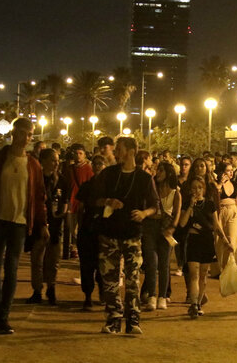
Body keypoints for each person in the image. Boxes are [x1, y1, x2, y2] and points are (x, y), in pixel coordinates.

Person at [0, 118, 48, 334]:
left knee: (12, 269)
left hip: (19, 223)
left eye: (31, 134)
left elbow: (39, 196)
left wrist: (43, 223)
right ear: (14, 134)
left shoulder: (33, 164)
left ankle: (3, 315)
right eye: (25, 133)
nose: (28, 138)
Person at [95, 136, 159, 335]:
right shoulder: (109, 174)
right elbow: (93, 199)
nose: (116, 153)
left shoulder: (143, 178)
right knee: (110, 279)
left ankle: (133, 318)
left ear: (131, 151)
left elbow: (155, 207)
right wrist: (107, 201)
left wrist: (144, 213)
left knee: (132, 278)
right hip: (109, 233)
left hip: (132, 233)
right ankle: (114, 317)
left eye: (120, 149)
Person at [179, 176, 228, 319]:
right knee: (193, 274)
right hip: (193, 240)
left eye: (199, 188)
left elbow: (216, 224)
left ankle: (198, 304)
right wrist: (190, 207)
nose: (197, 191)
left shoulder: (210, 204)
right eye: (194, 188)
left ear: (204, 189)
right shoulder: (187, 203)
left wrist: (225, 240)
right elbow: (182, 223)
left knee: (203, 276)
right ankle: (193, 304)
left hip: (206, 240)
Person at [27, 148, 69, 305]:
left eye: (57, 159)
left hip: (56, 225)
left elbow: (65, 200)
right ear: (43, 161)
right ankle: (37, 290)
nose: (56, 163)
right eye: (52, 159)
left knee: (53, 260)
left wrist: (61, 212)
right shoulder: (36, 179)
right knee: (37, 259)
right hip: (39, 225)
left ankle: (51, 288)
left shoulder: (62, 180)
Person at [141, 162, 181, 311]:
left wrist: (172, 228)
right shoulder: (153, 189)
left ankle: (162, 296)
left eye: (161, 171)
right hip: (150, 226)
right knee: (152, 262)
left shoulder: (175, 192)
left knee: (164, 264)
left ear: (168, 173)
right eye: (157, 170)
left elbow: (177, 212)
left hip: (165, 229)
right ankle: (152, 295)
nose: (158, 173)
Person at [76, 155, 106, 310]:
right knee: (87, 265)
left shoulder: (110, 187)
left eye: (101, 164)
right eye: (95, 164)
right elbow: (80, 209)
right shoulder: (87, 186)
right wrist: (79, 228)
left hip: (103, 229)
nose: (98, 166)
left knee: (102, 264)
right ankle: (87, 296)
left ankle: (102, 291)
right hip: (88, 229)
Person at [66, 143, 93, 259]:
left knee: (80, 227)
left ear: (85, 155)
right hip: (71, 201)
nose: (78, 156)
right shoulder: (69, 169)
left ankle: (78, 248)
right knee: (71, 227)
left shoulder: (88, 169)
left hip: (82, 203)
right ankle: (74, 247)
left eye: (80, 153)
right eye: (76, 153)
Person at [215, 162, 237, 270]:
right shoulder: (216, 184)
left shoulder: (234, 183)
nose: (231, 172)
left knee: (232, 239)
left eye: (232, 170)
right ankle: (218, 267)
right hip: (220, 211)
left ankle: (228, 265)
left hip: (233, 211)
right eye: (228, 171)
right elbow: (215, 195)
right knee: (219, 240)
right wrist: (220, 183)